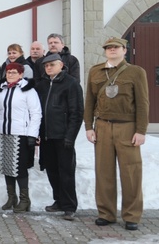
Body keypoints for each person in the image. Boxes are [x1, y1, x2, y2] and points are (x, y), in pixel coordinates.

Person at [84, 37, 149, 231]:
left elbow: (143, 103)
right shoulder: (95, 71)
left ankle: (132, 216)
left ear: (124, 50)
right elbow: (89, 100)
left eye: (116, 47)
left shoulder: (136, 72)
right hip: (102, 126)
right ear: (105, 51)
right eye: (108, 48)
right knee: (103, 172)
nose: (112, 50)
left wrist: (141, 130)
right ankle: (106, 213)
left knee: (131, 173)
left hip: (127, 127)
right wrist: (89, 126)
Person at [36, 53, 84, 221]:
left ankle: (70, 206)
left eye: (52, 65)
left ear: (61, 65)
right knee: (52, 171)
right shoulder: (42, 84)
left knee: (66, 172)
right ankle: (59, 201)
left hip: (63, 136)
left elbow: (76, 113)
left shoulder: (70, 84)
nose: (48, 67)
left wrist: (70, 136)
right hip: (47, 137)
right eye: (46, 65)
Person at [0, 63, 41, 213]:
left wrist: (32, 134)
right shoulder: (2, 89)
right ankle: (11, 197)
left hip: (21, 134)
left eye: (13, 72)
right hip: (3, 133)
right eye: (8, 72)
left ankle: (25, 199)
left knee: (20, 168)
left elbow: (36, 113)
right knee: (6, 167)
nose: (10, 74)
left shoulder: (28, 90)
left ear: (21, 74)